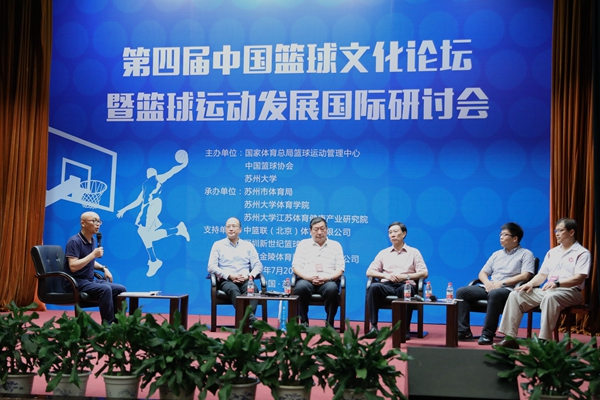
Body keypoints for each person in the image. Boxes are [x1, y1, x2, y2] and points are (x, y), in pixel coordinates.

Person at [496, 218, 590, 349]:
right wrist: (530, 284)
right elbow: (542, 275)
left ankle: (544, 341)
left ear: (571, 232)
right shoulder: (552, 252)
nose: (557, 234)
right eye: (556, 231)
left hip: (571, 292)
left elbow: (579, 278)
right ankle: (510, 338)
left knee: (550, 297)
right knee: (515, 295)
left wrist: (558, 284)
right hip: (549, 291)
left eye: (560, 230)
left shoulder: (582, 253)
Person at [456, 222, 535, 345]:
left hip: (510, 290)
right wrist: (487, 283)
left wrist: (502, 283)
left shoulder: (526, 254)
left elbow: (525, 275)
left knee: (495, 294)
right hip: (491, 287)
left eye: (505, 235)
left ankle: (487, 334)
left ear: (515, 238)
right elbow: (482, 273)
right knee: (462, 292)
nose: (501, 237)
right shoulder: (496, 254)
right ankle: (464, 332)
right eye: (500, 235)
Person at [117, 150, 190, 277]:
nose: (148, 172)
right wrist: (124, 209)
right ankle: (177, 230)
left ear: (154, 173)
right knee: (143, 233)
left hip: (154, 205)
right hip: (146, 209)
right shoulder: (145, 186)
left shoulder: (158, 178)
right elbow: (137, 201)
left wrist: (183, 165)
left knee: (146, 233)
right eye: (147, 171)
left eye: (150, 171)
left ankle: (154, 260)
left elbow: (172, 171)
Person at [365, 222, 428, 340]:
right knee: (373, 287)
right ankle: (373, 327)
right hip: (387, 285)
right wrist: (386, 276)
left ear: (404, 234)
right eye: (390, 232)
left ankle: (404, 328)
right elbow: (369, 272)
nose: (392, 235)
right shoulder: (383, 253)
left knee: (406, 290)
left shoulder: (414, 252)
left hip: (405, 284)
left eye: (395, 231)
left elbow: (424, 273)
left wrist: (406, 277)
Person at [64, 211, 127, 324]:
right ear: (83, 223)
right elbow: (73, 266)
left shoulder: (92, 240)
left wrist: (103, 268)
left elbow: (89, 261)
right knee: (105, 289)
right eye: (94, 221)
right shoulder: (74, 241)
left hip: (88, 281)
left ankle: (118, 324)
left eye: (99, 221)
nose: (97, 224)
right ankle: (107, 325)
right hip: (75, 282)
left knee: (120, 289)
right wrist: (93, 255)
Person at [207, 217, 263, 326]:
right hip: (226, 280)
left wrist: (249, 276)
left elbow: (258, 265)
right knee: (233, 289)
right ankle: (251, 321)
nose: (231, 229)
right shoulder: (218, 245)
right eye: (228, 226)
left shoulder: (248, 246)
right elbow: (211, 267)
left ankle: (247, 321)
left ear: (240, 229)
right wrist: (229, 275)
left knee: (253, 288)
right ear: (225, 229)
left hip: (245, 279)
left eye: (234, 226)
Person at [292, 217, 345, 327]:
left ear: (327, 230)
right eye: (316, 229)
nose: (319, 232)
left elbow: (340, 269)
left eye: (322, 229)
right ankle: (304, 322)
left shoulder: (336, 245)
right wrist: (307, 277)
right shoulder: (303, 244)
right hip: (307, 280)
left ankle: (329, 324)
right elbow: (296, 267)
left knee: (332, 289)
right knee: (300, 288)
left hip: (328, 280)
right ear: (310, 231)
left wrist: (328, 278)